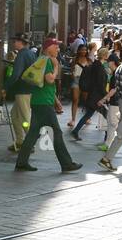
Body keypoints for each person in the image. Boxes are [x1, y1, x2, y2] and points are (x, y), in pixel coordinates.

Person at [14, 37, 81, 173]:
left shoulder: (41, 60)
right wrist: (56, 66)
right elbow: (50, 80)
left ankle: (21, 162)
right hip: (43, 103)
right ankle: (66, 163)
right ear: (48, 48)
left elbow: (44, 86)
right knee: (56, 132)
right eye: (55, 46)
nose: (58, 49)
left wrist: (56, 101)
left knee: (33, 133)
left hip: (40, 101)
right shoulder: (48, 61)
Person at [4, 33, 38, 152]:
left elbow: (16, 74)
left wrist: (6, 86)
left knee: (24, 117)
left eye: (15, 41)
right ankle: (19, 141)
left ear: (20, 42)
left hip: (22, 90)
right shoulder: (31, 54)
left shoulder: (21, 55)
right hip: (28, 89)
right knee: (15, 116)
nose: (13, 43)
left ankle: (30, 143)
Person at [69, 49, 111, 141]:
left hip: (93, 95)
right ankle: (108, 136)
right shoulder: (99, 67)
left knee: (89, 114)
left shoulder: (95, 65)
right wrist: (106, 95)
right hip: (97, 96)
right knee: (108, 116)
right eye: (107, 54)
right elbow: (100, 83)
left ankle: (75, 131)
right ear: (104, 55)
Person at [67, 44, 89, 128]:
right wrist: (72, 75)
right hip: (76, 80)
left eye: (85, 50)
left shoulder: (89, 60)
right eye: (82, 49)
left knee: (85, 100)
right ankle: (73, 119)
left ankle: (87, 117)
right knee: (75, 99)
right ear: (79, 50)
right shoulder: (75, 60)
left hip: (85, 81)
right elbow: (72, 70)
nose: (83, 51)